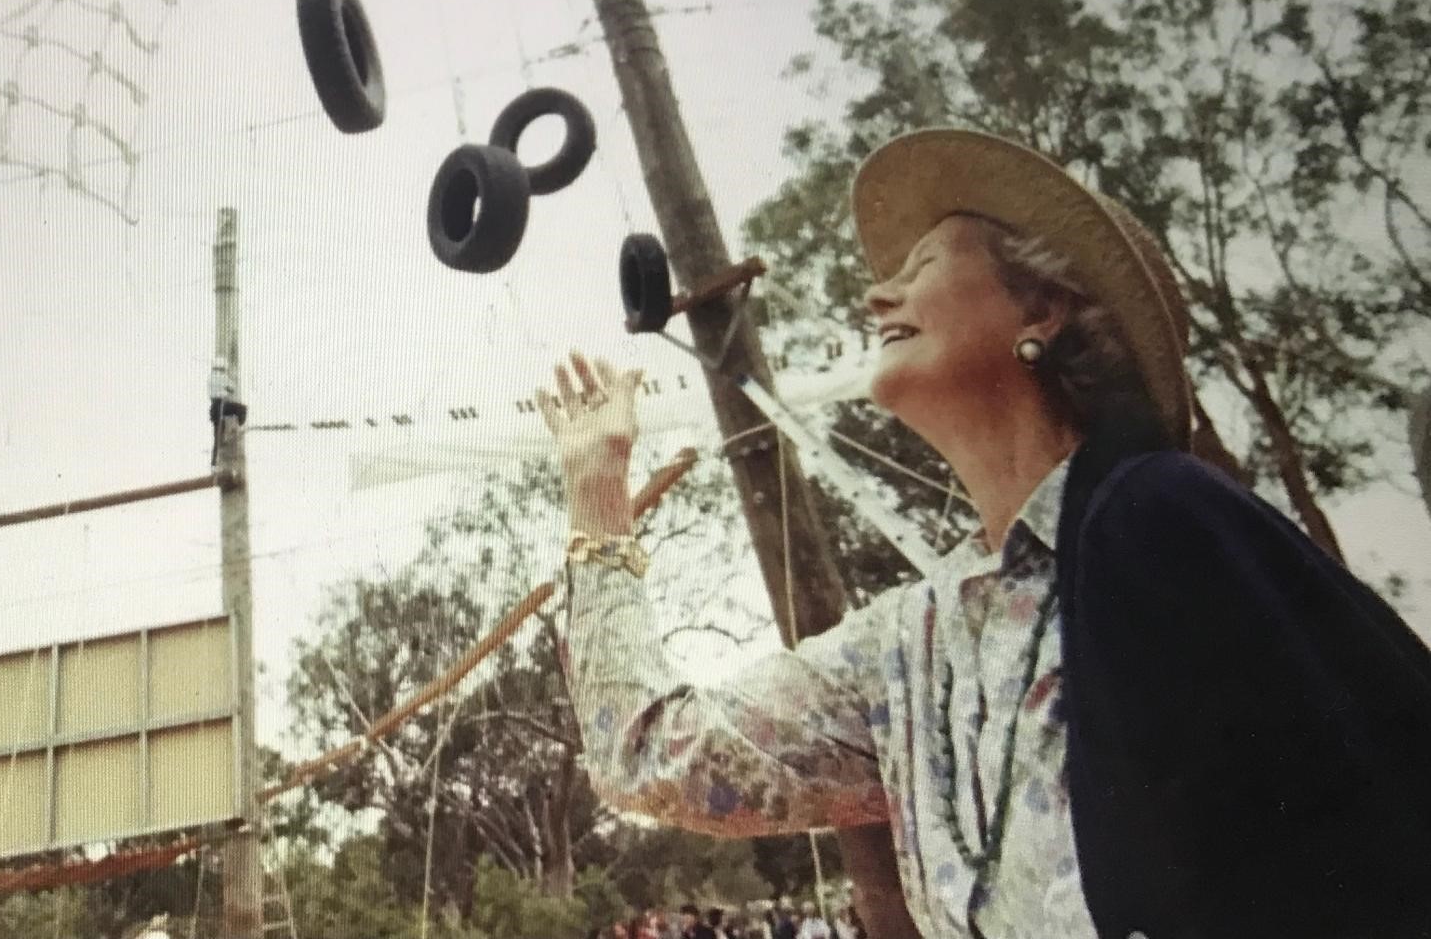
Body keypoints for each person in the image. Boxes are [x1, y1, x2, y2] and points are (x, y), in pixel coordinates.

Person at [540, 128, 1431, 939]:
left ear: (1041, 312)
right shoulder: (912, 644)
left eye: (924, 261)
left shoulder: (1165, 516)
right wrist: (595, 489)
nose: (875, 292)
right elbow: (647, 759)